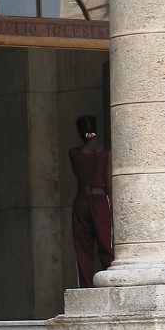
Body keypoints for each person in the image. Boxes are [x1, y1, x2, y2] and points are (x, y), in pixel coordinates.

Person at [69, 115, 114, 288]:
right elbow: (108, 183)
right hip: (101, 199)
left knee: (83, 247)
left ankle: (86, 286)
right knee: (106, 244)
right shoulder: (106, 153)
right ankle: (111, 282)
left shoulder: (74, 153)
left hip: (82, 200)